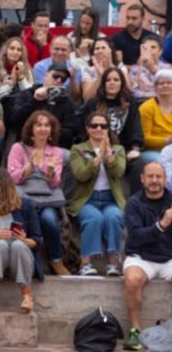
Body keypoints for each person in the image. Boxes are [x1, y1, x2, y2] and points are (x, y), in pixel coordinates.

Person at [0, 168, 43, 313]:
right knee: (0, 244)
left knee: (18, 245)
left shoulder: (26, 206)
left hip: (19, 259)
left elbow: (37, 241)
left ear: (2, 183)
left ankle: (27, 297)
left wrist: (24, 239)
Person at [7, 111, 67, 275]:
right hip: (24, 199)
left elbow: (54, 184)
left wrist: (51, 172)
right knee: (25, 219)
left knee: (49, 219)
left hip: (47, 199)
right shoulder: (18, 148)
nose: (43, 128)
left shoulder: (56, 152)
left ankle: (56, 260)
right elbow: (13, 178)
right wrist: (29, 168)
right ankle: (25, 261)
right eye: (38, 125)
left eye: (47, 125)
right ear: (31, 128)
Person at [68, 112, 127, 276]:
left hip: (111, 199)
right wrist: (98, 156)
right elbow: (81, 174)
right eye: (94, 125)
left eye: (103, 126)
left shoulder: (118, 149)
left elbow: (119, 172)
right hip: (87, 200)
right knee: (94, 218)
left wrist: (108, 155)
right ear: (88, 129)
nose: (99, 129)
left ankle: (113, 262)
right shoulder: (78, 149)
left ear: (108, 129)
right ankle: (85, 263)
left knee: (114, 217)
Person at [121, 162, 172, 351]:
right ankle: (135, 330)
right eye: (150, 176)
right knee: (133, 279)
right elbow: (136, 236)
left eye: (159, 177)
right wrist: (162, 225)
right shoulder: (133, 203)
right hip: (141, 256)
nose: (154, 181)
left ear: (165, 179)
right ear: (142, 179)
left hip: (169, 258)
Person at [11, 61, 78, 149]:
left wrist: (47, 131)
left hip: (55, 148)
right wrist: (35, 100)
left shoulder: (66, 101)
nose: (58, 80)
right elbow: (14, 120)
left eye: (63, 79)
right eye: (56, 76)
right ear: (46, 75)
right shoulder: (28, 94)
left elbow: (70, 131)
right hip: (28, 144)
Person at [81, 67, 144, 161]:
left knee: (139, 163)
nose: (112, 82)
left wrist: (135, 148)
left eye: (116, 80)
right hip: (96, 149)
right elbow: (84, 129)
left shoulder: (130, 102)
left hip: (124, 149)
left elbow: (135, 127)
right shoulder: (92, 103)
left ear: (122, 83)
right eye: (108, 80)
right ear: (103, 84)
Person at [0, 36, 33, 118]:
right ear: (6, 50)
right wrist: (10, 84)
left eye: (19, 50)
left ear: (22, 53)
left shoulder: (27, 70)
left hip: (21, 109)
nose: (15, 52)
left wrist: (21, 78)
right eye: (12, 48)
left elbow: (30, 96)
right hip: (1, 108)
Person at [139, 69, 172, 163]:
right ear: (156, 87)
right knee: (165, 162)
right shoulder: (147, 107)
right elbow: (144, 139)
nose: (165, 85)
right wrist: (168, 140)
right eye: (161, 83)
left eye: (169, 83)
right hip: (153, 151)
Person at [128, 35, 171, 103]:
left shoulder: (168, 68)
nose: (149, 51)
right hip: (141, 103)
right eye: (145, 48)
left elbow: (168, 89)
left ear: (160, 51)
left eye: (153, 47)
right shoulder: (135, 70)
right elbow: (135, 92)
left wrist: (152, 69)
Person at [83, 37, 126, 103]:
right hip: (97, 105)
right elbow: (87, 99)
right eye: (97, 49)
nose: (100, 51)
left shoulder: (120, 66)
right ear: (93, 53)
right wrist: (100, 76)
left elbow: (130, 89)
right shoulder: (88, 70)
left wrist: (111, 65)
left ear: (111, 50)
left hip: (119, 102)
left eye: (103, 48)